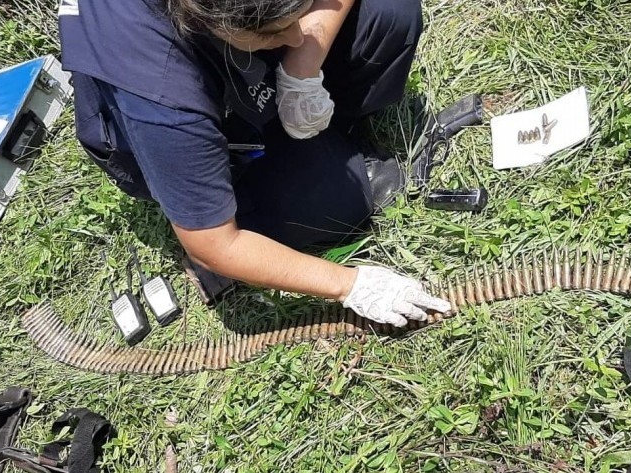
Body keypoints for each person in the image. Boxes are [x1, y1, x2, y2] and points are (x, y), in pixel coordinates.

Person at [58, 0, 450, 327]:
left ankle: (322, 132)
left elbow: (298, 33)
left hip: (231, 58)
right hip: (192, 125)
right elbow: (214, 244)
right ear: (213, 23)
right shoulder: (160, 92)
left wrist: (302, 67)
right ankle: (258, 185)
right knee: (334, 205)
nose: (297, 34)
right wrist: (352, 285)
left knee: (390, 14)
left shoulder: (262, 29)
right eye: (274, 32)